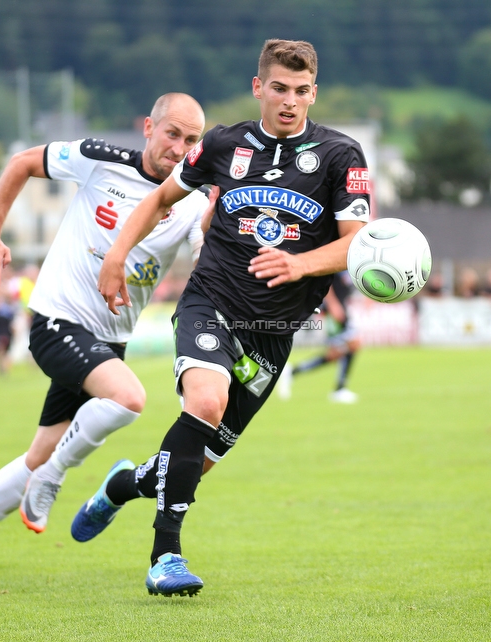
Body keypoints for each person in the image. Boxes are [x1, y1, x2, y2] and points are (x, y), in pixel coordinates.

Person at [80, 39, 371, 597]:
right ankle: (165, 556)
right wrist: (117, 255)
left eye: (302, 91)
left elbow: (354, 246)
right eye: (279, 89)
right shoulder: (223, 144)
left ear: (315, 92)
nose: (290, 101)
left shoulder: (341, 155)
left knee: (195, 460)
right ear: (259, 87)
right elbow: (161, 198)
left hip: (274, 334)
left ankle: (120, 486)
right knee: (205, 406)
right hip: (211, 303)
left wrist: (300, 263)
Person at [0, 92, 214, 575]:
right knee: (128, 398)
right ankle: (55, 476)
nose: (179, 148)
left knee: (35, 455)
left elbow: (204, 252)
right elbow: (22, 162)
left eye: (191, 141)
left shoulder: (189, 200)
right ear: (148, 127)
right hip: (57, 322)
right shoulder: (101, 160)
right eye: (172, 134)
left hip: (109, 342)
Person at [277, 271, 361, 403]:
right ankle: (340, 389)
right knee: (353, 343)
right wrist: (333, 304)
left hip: (340, 308)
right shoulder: (341, 258)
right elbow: (327, 276)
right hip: (331, 310)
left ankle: (292, 372)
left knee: (335, 353)